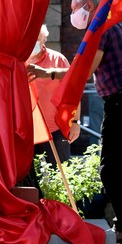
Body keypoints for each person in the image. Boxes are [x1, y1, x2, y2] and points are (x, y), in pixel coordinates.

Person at [27, 0, 122, 244]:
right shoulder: (115, 26)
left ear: (88, 5)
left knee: (111, 169)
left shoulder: (100, 28)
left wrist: (46, 73)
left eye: (74, 7)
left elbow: (84, 71)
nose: (71, 14)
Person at [27, 24, 80, 165]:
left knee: (61, 172)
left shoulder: (58, 59)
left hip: (56, 128)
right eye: (30, 40)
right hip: (27, 130)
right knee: (29, 177)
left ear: (44, 39)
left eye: (37, 40)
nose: (34, 44)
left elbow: (73, 91)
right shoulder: (19, 61)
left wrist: (75, 122)